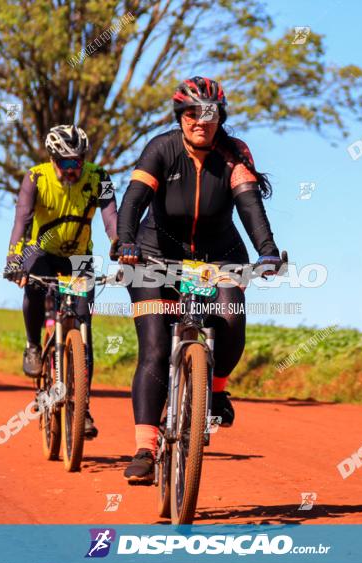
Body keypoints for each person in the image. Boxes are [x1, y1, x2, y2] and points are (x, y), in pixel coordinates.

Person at [115, 76, 283, 482]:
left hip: (218, 254)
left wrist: (268, 249)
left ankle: (217, 389)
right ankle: (145, 448)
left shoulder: (232, 154)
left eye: (209, 114)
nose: (200, 121)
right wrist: (125, 242)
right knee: (155, 347)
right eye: (192, 113)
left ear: (219, 117)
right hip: (154, 252)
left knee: (229, 316)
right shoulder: (161, 148)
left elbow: (249, 207)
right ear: (181, 116)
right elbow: (133, 201)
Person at [4, 124, 119, 440]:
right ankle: (32, 344)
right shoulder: (35, 178)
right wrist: (13, 258)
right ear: (52, 159)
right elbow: (22, 221)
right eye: (65, 163)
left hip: (80, 259)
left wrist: (118, 240)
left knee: (84, 330)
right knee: (34, 287)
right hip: (41, 253)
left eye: (77, 162)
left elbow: (111, 217)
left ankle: (82, 408)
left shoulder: (99, 178)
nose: (72, 169)